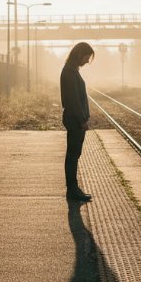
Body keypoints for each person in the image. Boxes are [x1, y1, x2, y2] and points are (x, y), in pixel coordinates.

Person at [60, 42, 94, 201]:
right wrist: (82, 120)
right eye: (87, 57)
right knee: (73, 155)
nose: (88, 61)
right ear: (80, 54)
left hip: (75, 119)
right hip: (74, 120)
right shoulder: (69, 72)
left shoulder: (72, 71)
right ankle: (72, 190)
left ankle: (73, 189)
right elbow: (73, 101)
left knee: (74, 154)